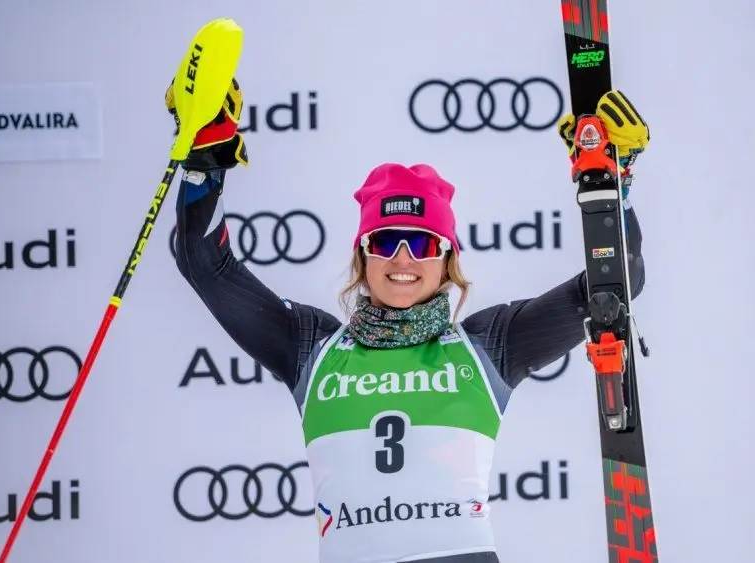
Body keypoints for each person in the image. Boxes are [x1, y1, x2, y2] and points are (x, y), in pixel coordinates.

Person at [167, 77, 650, 563]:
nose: (402, 259)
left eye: (420, 243)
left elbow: (615, 284)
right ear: (362, 257)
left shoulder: (489, 346)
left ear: (447, 260)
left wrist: (609, 188)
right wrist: (205, 161)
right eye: (384, 241)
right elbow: (204, 263)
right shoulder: (309, 348)